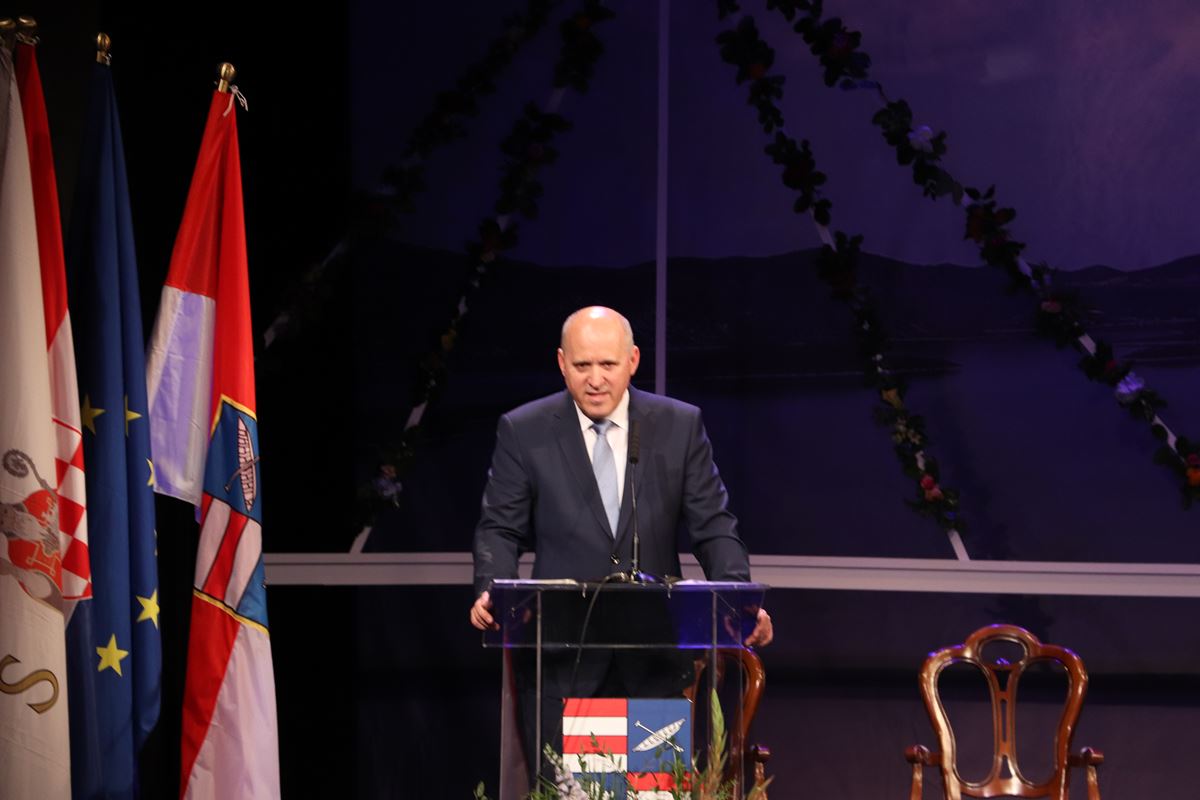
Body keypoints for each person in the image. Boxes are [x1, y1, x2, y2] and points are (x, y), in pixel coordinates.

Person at [469, 305, 772, 787]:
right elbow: (499, 529)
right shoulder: (524, 430)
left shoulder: (678, 426)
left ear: (632, 361)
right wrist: (491, 588)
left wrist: (737, 600)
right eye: (582, 365)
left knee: (648, 795)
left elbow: (714, 526)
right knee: (571, 796)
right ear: (562, 363)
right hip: (562, 664)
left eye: (607, 364)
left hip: (651, 663)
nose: (595, 380)